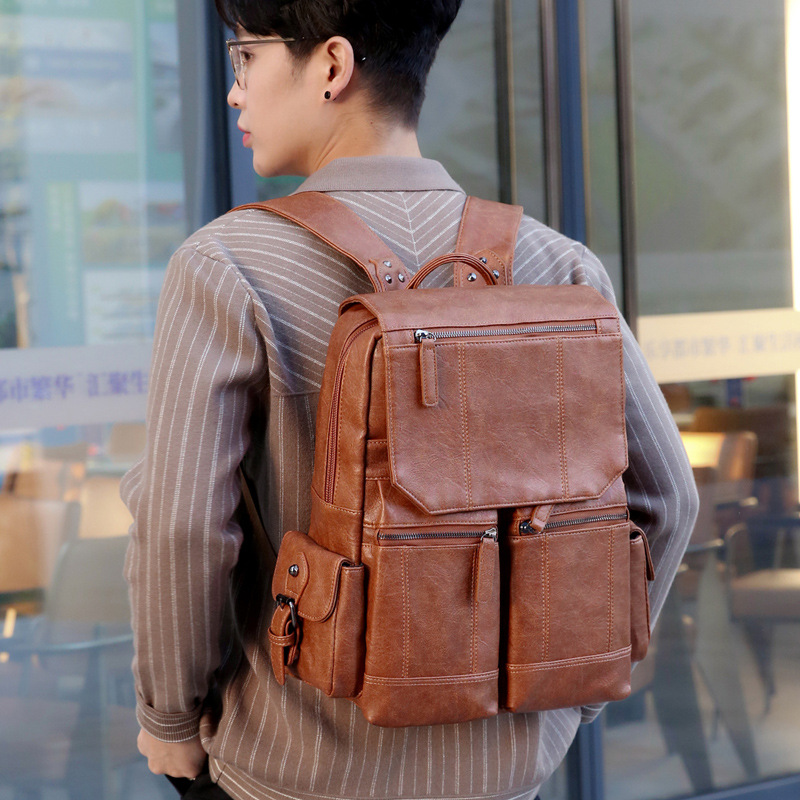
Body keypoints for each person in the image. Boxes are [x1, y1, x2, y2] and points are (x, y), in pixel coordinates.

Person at [122, 1, 699, 798]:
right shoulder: (560, 268)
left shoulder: (227, 267)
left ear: (331, 65)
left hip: (296, 774)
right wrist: (569, 689)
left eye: (246, 56)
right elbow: (668, 501)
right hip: (508, 777)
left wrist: (170, 721)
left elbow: (184, 527)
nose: (235, 90)